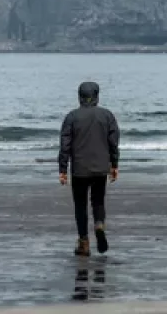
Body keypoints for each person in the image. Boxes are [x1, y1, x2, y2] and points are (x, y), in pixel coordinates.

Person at [58, 81, 120, 256]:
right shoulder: (107, 116)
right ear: (97, 96)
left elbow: (65, 145)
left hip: (79, 168)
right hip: (101, 167)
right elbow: (113, 143)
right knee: (98, 200)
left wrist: (62, 169)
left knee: (80, 205)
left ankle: (84, 242)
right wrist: (114, 165)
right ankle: (99, 224)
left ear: (79, 97)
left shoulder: (71, 117)